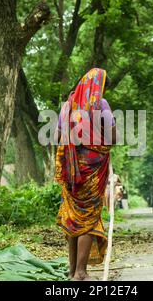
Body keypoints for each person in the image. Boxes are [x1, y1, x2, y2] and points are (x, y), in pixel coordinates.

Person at [55, 68, 116, 281]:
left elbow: (56, 136)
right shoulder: (101, 105)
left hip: (71, 172)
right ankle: (81, 273)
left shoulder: (67, 106)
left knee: (73, 219)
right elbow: (112, 137)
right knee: (88, 219)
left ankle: (72, 271)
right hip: (91, 173)